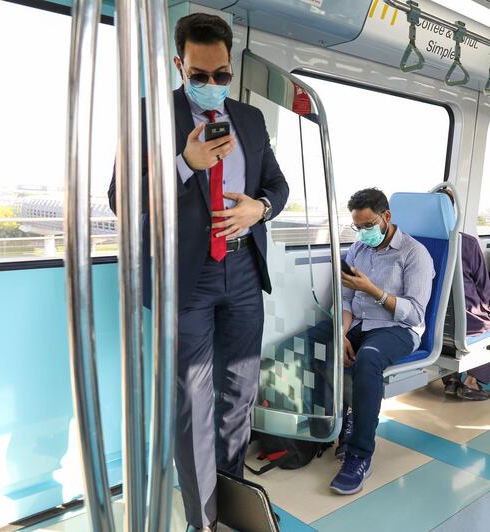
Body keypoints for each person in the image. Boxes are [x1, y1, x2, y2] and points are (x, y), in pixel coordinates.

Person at [108, 14, 289, 531]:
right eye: (200, 75)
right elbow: (122, 199)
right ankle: (202, 519)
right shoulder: (148, 115)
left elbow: (277, 186)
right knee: (192, 404)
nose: (212, 86)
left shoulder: (250, 121)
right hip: (184, 279)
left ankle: (228, 499)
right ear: (178, 65)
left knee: (238, 396)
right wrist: (184, 163)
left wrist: (260, 209)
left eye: (222, 75)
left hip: (243, 271)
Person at [331, 188, 434, 495]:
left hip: (398, 328)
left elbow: (415, 315)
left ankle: (359, 455)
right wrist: (340, 334)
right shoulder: (359, 249)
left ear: (386, 217)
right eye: (358, 226)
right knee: (316, 343)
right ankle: (342, 421)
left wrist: (375, 291)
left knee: (368, 359)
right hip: (361, 323)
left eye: (368, 225)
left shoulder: (415, 254)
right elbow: (347, 298)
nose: (363, 232)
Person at [436, 187, 490, 401]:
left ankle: (451, 380)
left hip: (429, 321)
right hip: (465, 322)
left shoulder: (415, 242)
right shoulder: (466, 243)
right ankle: (472, 381)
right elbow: (483, 288)